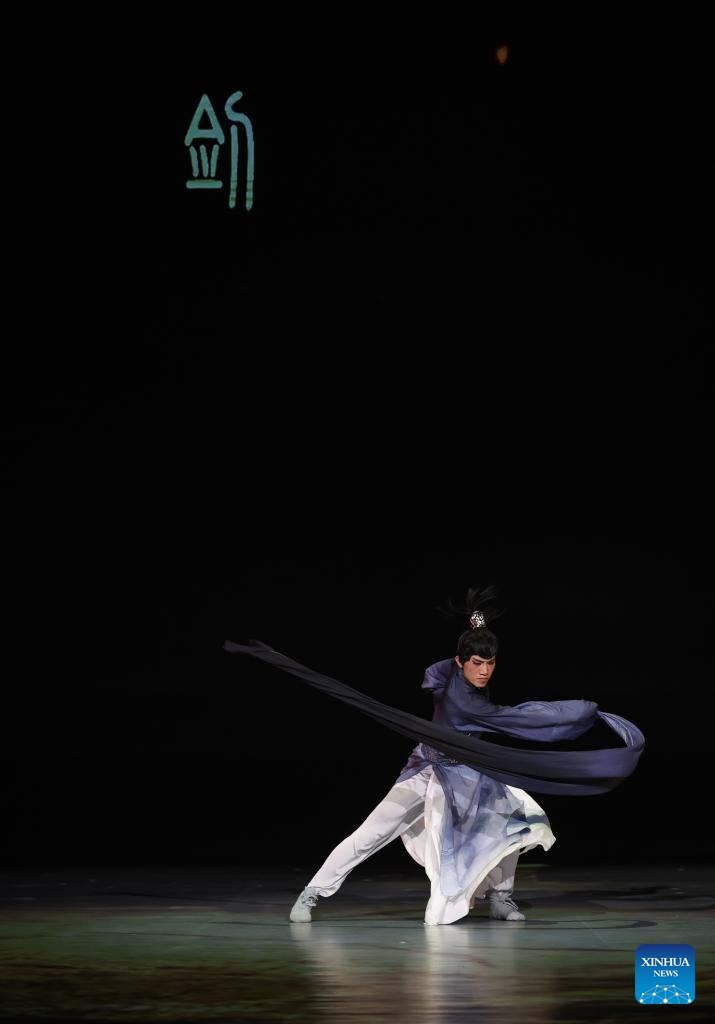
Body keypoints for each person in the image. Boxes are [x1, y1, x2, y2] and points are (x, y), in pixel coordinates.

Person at [223, 584, 644, 927]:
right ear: (460, 661)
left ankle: (501, 898)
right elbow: (472, 695)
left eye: (491, 663)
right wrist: (575, 711)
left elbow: (505, 707)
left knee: (521, 822)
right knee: (372, 833)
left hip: (472, 772)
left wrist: (476, 623)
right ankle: (312, 893)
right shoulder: (451, 685)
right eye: (477, 662)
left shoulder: (475, 685)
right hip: (427, 768)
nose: (485, 671)